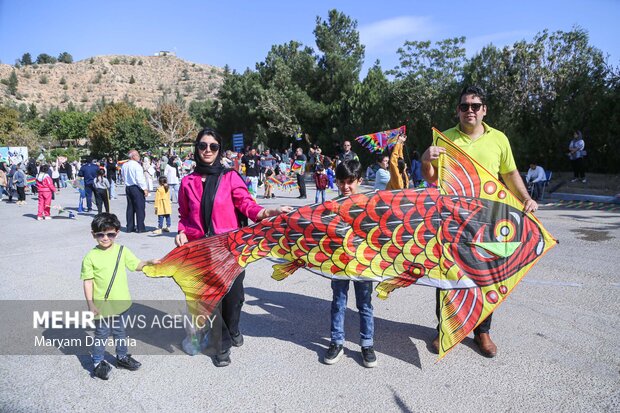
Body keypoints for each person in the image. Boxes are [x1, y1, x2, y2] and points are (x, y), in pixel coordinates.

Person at [422, 85, 537, 358]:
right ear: (458, 110)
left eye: (475, 106)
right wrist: (426, 160)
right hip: (452, 219)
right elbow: (432, 179)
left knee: (487, 275)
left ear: (484, 109)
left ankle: (482, 331)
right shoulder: (444, 139)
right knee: (448, 273)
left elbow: (509, 173)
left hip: (488, 219)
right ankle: (446, 327)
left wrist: (526, 198)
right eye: (465, 106)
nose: (470, 111)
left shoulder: (499, 139)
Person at [175, 128, 292, 367]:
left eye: (213, 146)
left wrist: (268, 212)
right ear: (196, 149)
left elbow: (247, 204)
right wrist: (181, 231)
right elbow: (185, 215)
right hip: (202, 250)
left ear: (219, 149)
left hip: (231, 249)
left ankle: (233, 328)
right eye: (203, 146)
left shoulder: (230, 177)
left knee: (234, 298)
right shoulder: (187, 182)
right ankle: (221, 346)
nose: (207, 150)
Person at [81, 213, 159, 380]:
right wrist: (90, 305)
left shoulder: (122, 251)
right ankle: (97, 362)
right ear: (93, 234)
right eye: (100, 234)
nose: (105, 238)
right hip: (102, 305)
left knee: (120, 332)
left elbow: (135, 265)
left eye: (110, 234)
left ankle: (122, 357)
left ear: (117, 233)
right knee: (101, 334)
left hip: (122, 303)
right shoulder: (90, 257)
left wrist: (147, 262)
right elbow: (88, 282)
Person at [324, 159, 377, 368]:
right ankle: (337, 341)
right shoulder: (331, 206)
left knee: (364, 304)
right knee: (338, 301)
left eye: (350, 182)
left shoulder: (369, 204)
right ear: (336, 182)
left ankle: (367, 344)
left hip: (363, 263)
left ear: (360, 181)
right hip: (338, 262)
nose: (346, 187)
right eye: (342, 182)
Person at [121, 150, 148, 233]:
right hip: (136, 187)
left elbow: (123, 176)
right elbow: (139, 179)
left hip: (128, 187)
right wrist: (144, 189)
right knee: (139, 208)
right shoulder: (137, 166)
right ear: (133, 156)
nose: (139, 157)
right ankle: (140, 227)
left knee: (130, 207)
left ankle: (130, 227)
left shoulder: (124, 165)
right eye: (137, 155)